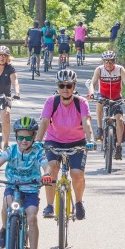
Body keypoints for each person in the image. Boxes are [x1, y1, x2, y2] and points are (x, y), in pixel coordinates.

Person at [0, 117, 52, 249]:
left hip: (31, 189)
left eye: (27, 137)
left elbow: (46, 166)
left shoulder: (38, 151)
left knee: (32, 217)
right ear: (16, 137)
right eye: (20, 137)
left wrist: (46, 174)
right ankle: (5, 228)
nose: (24, 141)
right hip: (13, 186)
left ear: (34, 137)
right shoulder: (11, 150)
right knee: (7, 203)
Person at [35, 68, 94, 221]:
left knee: (77, 174)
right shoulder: (51, 101)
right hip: (54, 141)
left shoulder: (81, 103)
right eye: (62, 86)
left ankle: (79, 202)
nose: (65, 89)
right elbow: (44, 122)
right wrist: (37, 142)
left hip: (77, 143)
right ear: (57, 87)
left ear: (74, 87)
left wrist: (91, 140)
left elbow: (86, 123)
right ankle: (49, 205)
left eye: (69, 86)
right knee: (52, 169)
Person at [87, 50, 125, 160]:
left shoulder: (120, 69)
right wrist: (92, 93)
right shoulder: (99, 70)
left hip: (116, 98)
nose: (108, 64)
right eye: (106, 62)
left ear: (114, 61)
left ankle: (118, 147)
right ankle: (99, 129)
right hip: (103, 96)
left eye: (111, 61)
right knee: (99, 105)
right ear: (103, 62)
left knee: (119, 120)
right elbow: (93, 83)